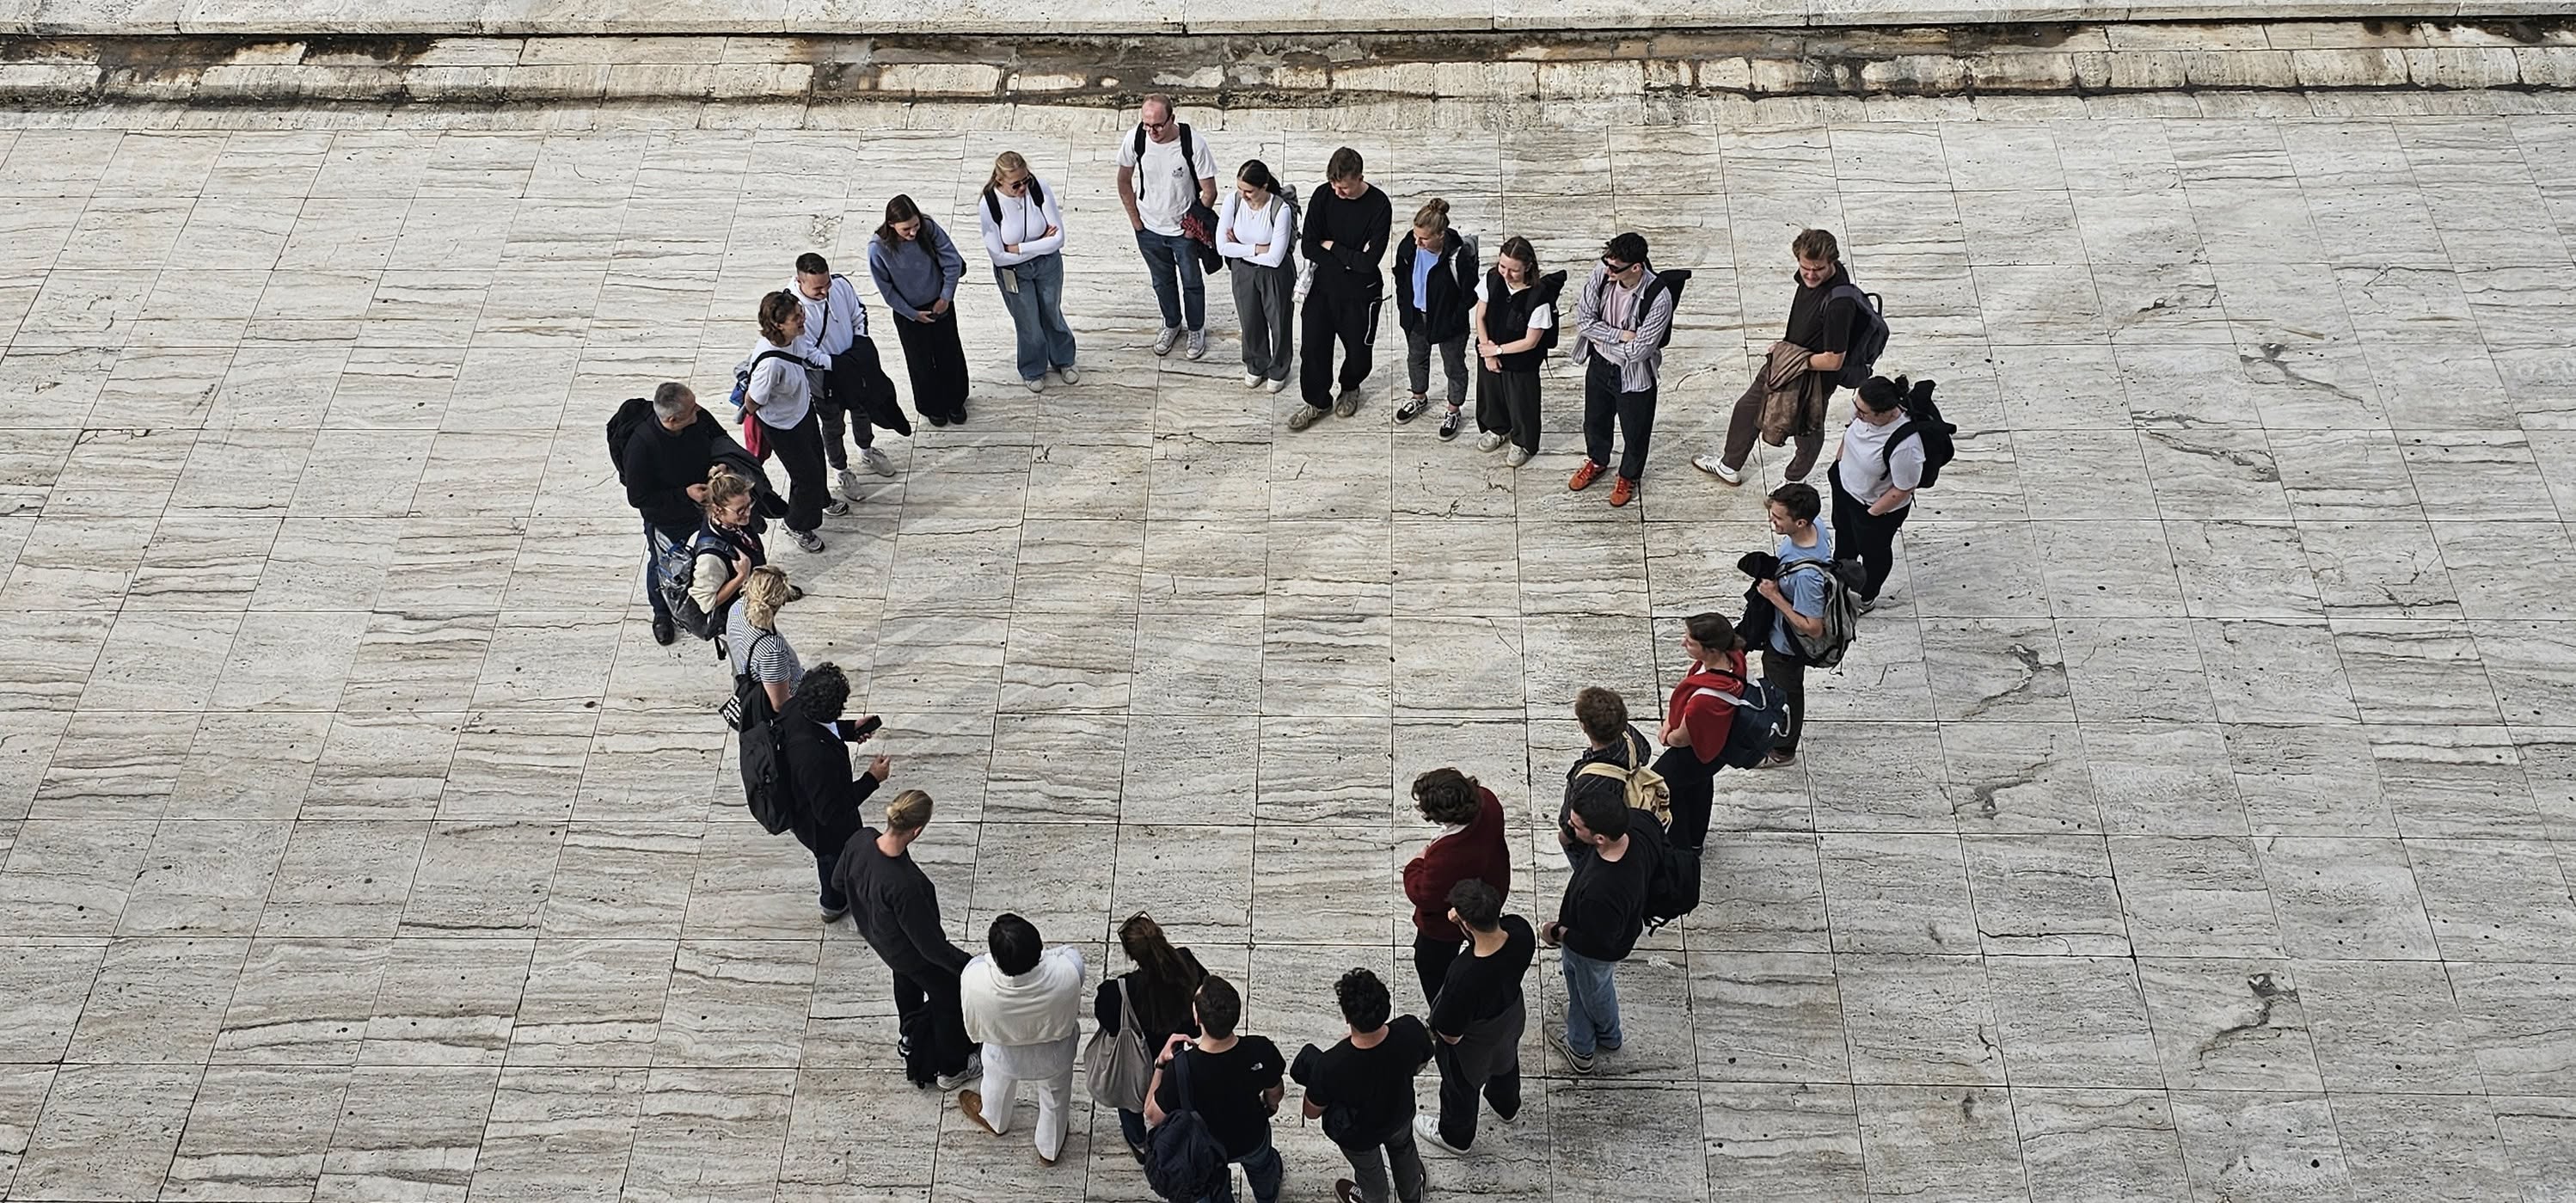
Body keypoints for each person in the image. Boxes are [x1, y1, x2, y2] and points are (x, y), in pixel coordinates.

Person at [834, 789, 981, 1089]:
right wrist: (970, 965)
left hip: (883, 943)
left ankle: (910, 1034)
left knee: (905, 983)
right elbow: (930, 947)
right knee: (949, 996)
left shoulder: (860, 840)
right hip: (911, 953)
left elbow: (838, 881)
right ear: (917, 830)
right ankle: (953, 1069)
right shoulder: (907, 886)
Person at [1699, 229, 1861, 486]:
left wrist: (1793, 358)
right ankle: (1730, 465)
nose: (1809, 274)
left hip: (1811, 378)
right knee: (1747, 409)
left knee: (1806, 429)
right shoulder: (1814, 275)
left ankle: (1793, 481)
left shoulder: (1839, 305)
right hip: (1786, 361)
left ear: (1833, 262)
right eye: (1805, 266)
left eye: (1817, 269)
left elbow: (1833, 360)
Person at [1543, 791, 1665, 1076]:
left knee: (1587, 989)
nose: (1569, 828)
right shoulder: (1640, 822)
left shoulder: (1603, 890)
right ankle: (1608, 1039)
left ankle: (1582, 1049)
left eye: (1576, 826)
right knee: (1591, 988)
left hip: (1593, 949)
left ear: (1600, 838)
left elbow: (1596, 944)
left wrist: (1557, 932)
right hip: (1625, 926)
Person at [1290, 969, 1434, 1203]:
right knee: (1404, 1150)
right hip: (1400, 1113)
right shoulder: (1411, 1030)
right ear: (1386, 1005)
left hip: (1359, 1134)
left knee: (1370, 1173)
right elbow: (1421, 1063)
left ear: (1348, 1018)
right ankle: (1412, 1193)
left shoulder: (1331, 1065)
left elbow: (1311, 1112)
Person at [958, 913, 1087, 1165]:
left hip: (1003, 1054)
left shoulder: (975, 979)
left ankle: (995, 1120)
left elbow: (977, 964)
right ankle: (1049, 1149)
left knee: (996, 1086)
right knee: (1055, 1101)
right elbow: (1067, 953)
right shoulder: (1068, 971)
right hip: (1054, 1056)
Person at [1415, 879, 1530, 1157]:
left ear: (1467, 923)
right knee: (1506, 1063)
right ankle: (1507, 1107)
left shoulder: (1463, 975)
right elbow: (1488, 944)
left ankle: (1456, 1137)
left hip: (1474, 1046)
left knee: (1461, 1089)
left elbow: (1451, 1034)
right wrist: (1464, 923)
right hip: (1512, 1018)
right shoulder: (1521, 930)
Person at [1145, 975, 1285, 1203]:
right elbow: (1275, 1092)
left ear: (1197, 1018)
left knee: (1212, 1192)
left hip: (1206, 1150)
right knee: (1263, 1169)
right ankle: (1267, 1196)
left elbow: (1153, 1115)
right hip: (1252, 1136)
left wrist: (1160, 1064)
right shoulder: (1260, 1049)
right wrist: (1270, 1106)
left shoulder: (1180, 1067)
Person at [1567, 231, 1677, 507]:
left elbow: (1640, 351)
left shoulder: (1658, 298)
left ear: (1636, 267)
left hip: (1634, 377)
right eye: (1607, 262)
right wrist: (1620, 335)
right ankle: (1597, 460)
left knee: (1636, 431)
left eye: (1615, 267)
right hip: (1599, 366)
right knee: (1594, 421)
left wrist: (1603, 337)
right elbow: (1584, 321)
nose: (1608, 270)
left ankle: (1628, 475)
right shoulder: (1603, 272)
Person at [1290, 146, 1392, 432]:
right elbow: (1309, 245)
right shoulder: (1323, 195)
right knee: (1312, 348)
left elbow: (1369, 262)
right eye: (1335, 186)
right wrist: (1348, 259)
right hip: (1322, 289)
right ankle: (1317, 400)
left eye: (1344, 188)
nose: (1338, 192)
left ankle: (1350, 386)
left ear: (1360, 177)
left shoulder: (1379, 205)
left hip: (1361, 293)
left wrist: (1332, 246)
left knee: (1359, 351)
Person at [789, 253, 905, 494]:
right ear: (800, 282)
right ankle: (841, 470)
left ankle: (867, 450)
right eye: (817, 289)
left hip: (853, 365)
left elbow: (858, 313)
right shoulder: (791, 310)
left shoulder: (840, 285)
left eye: (826, 284)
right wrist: (837, 364)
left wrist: (859, 345)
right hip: (825, 379)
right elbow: (803, 351)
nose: (824, 292)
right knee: (833, 426)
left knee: (862, 410)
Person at [1095, 912, 1209, 1160]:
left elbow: (1107, 1021)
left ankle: (1140, 1143)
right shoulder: (1188, 963)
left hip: (1141, 1065)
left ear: (1132, 956)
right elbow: (1206, 998)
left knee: (1130, 1104)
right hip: (1182, 1058)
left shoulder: (1118, 993)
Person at [1115, 93, 1219, 360]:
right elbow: (1124, 181)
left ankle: (1196, 328)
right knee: (1161, 282)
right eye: (1147, 125)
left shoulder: (1192, 143)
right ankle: (1171, 323)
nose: (1152, 132)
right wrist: (1136, 220)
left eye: (1158, 125)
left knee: (1192, 282)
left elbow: (1209, 192)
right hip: (1148, 229)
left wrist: (1190, 228)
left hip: (1182, 232)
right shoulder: (1136, 139)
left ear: (1172, 118)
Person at [1739, 482, 1834, 767]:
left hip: (1786, 648)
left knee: (1787, 694)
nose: (1773, 520)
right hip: (1778, 634)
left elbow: (1813, 627)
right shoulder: (1812, 526)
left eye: (1779, 518)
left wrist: (1775, 597)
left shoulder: (1808, 577)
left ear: (1800, 521)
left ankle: (1783, 749)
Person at [622, 381, 723, 645]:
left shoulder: (697, 419)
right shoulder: (641, 447)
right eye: (691, 409)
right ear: (672, 419)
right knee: (662, 564)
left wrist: (719, 464)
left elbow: (718, 438)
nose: (699, 410)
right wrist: (684, 494)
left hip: (705, 507)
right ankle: (662, 614)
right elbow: (638, 497)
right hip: (667, 520)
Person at [781, 662, 884, 923]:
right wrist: (872, 779)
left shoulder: (794, 708)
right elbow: (832, 811)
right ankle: (833, 904)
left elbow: (817, 728)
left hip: (805, 806)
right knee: (833, 863)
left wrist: (848, 730)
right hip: (822, 830)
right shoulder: (816, 758)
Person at [1399, 767, 1511, 1006]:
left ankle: (1444, 1010)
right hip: (1491, 888)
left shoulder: (1448, 855)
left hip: (1447, 924)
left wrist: (1417, 862)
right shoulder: (1487, 800)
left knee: (1431, 965)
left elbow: (1424, 894)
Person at [978, 151, 1080, 393]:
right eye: (1016, 184)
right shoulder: (989, 204)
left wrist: (1019, 248)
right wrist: (1039, 243)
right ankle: (1033, 368)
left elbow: (1058, 240)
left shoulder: (1038, 188)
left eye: (1025, 180)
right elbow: (998, 256)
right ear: (1000, 180)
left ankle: (1064, 359)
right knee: (1028, 322)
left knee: (1052, 313)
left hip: (1047, 265)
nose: (1023, 187)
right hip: (1013, 272)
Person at [868, 194, 971, 427]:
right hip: (910, 315)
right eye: (906, 229)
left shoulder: (929, 228)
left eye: (915, 226)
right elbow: (887, 291)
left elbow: (952, 260)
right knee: (920, 362)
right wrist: (912, 314)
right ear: (891, 225)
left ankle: (956, 401)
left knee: (950, 353)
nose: (913, 233)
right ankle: (932, 406)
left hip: (940, 304)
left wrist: (946, 297)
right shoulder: (878, 249)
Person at [1828, 376, 1929, 611]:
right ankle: (1841, 579)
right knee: (1844, 538)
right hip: (1845, 490)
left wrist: (1871, 513)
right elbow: (1850, 431)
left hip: (1873, 509)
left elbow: (1904, 488)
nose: (1857, 412)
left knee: (1873, 554)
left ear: (1884, 413)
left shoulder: (1906, 446)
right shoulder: (1863, 413)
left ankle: (1867, 594)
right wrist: (1839, 463)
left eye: (1863, 412)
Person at [744, 291, 831, 552]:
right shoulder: (769, 365)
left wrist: (838, 364)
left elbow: (808, 355)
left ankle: (820, 499)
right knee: (805, 476)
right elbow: (753, 402)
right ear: (778, 324)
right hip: (782, 427)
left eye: (800, 312)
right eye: (796, 317)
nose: (802, 318)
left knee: (817, 459)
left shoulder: (793, 338)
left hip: (802, 411)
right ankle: (797, 523)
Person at [1655, 613, 1748, 851]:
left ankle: (1680, 848)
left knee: (1658, 786)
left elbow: (1680, 739)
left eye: (1690, 642)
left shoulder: (1704, 701)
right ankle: (1695, 841)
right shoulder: (1734, 658)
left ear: (1712, 650)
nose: (1683, 643)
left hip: (1693, 752)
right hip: (1714, 749)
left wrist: (1667, 733)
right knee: (1697, 787)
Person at [1392, 198, 1477, 439]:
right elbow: (1401, 280)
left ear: (1441, 235)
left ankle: (1453, 409)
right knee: (1416, 358)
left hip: (1449, 323)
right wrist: (1404, 308)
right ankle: (1418, 396)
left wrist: (1454, 317)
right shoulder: (1409, 246)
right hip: (1416, 317)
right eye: (1416, 236)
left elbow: (1470, 294)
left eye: (1424, 239)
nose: (1417, 242)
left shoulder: (1458, 257)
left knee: (1454, 366)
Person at [1470, 237, 1557, 468]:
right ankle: (1497, 428)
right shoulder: (1492, 279)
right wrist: (1488, 352)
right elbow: (1480, 316)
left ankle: (1522, 442)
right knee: (1491, 395)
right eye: (1503, 267)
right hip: (1489, 352)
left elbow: (1530, 341)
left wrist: (1497, 350)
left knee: (1522, 403)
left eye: (1513, 270)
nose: (1506, 275)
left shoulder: (1538, 297)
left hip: (1521, 362)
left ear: (1527, 267)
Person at [1218, 159, 1297, 393]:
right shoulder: (1233, 201)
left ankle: (1279, 368)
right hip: (1243, 272)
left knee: (1279, 322)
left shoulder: (1280, 209)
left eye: (1249, 191)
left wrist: (1241, 247)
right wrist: (1258, 248)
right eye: (1240, 189)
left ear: (1264, 187)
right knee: (1250, 319)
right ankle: (1255, 363)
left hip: (1275, 274)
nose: (1243, 195)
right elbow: (1222, 246)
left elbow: (1275, 258)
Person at [1560, 685, 1653, 863]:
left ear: (1584, 727)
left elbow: (1578, 816)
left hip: (1590, 840)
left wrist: (1564, 837)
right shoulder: (1628, 734)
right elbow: (1645, 754)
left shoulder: (1590, 779)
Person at [682, 468, 764, 629]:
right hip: (738, 620)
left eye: (749, 505)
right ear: (718, 509)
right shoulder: (710, 558)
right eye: (740, 510)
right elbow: (706, 603)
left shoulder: (731, 522)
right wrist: (740, 577)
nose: (747, 513)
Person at [726, 564, 801, 715]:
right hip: (782, 700)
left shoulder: (738, 606)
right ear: (780, 602)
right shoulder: (772, 650)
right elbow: (779, 704)